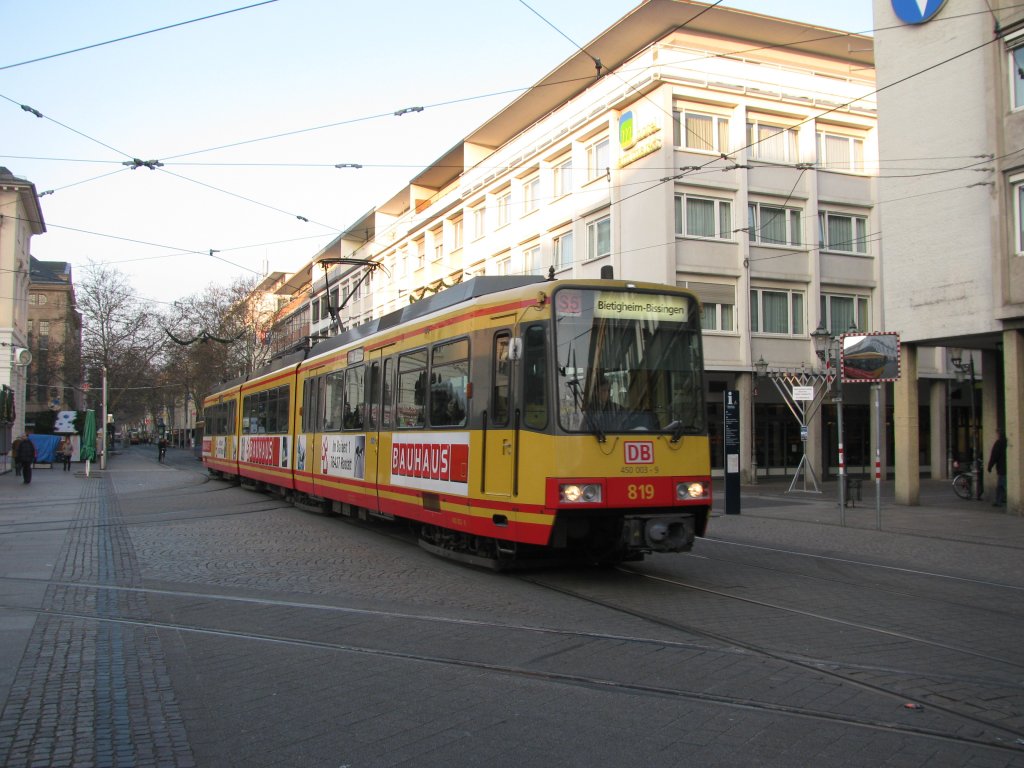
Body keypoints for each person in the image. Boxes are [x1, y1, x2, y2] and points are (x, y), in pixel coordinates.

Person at [987, 429, 1007, 507]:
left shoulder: (999, 443)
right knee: (1002, 484)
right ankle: (1001, 499)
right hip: (1006, 467)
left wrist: (990, 466)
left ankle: (999, 500)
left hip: (1002, 468)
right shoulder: (1006, 442)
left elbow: (994, 456)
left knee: (1001, 485)